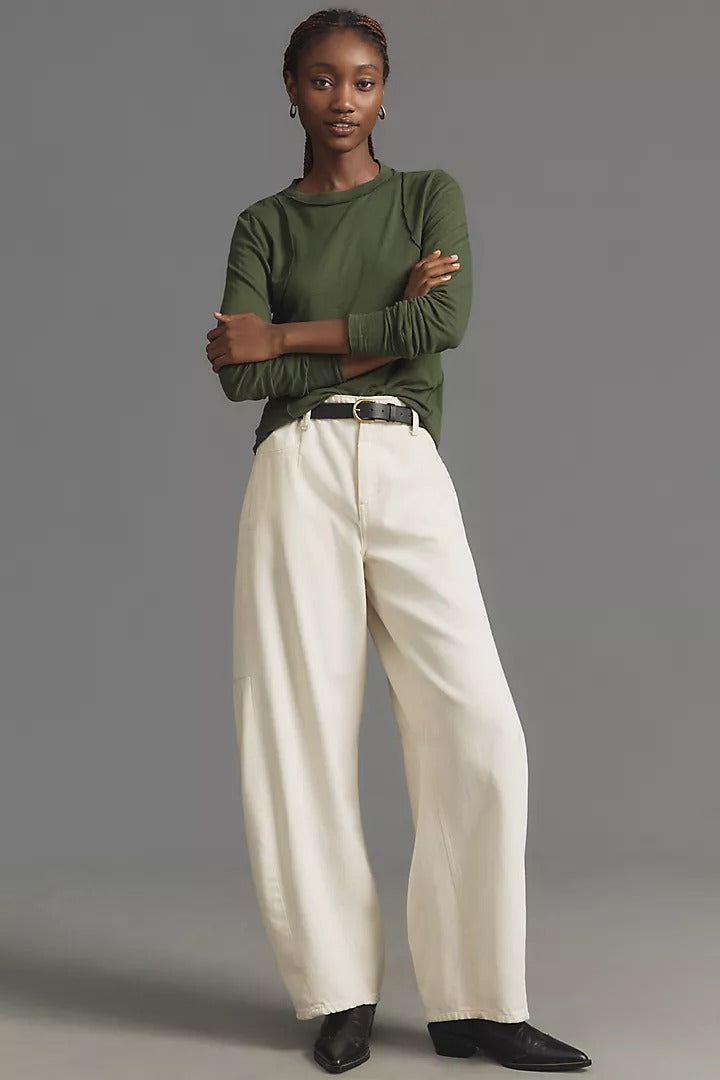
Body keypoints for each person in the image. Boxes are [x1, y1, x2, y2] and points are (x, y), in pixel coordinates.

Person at [205, 8, 592, 1075]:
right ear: (291, 87)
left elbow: (439, 327)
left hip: (405, 458)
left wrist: (285, 335)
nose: (344, 100)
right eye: (323, 79)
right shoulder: (263, 225)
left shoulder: (428, 196)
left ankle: (477, 1004)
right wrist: (371, 330)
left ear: (386, 92)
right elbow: (238, 378)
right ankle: (340, 995)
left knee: (478, 726)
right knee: (297, 731)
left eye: (364, 80)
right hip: (296, 467)